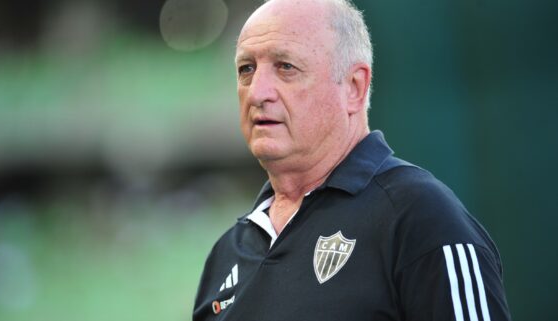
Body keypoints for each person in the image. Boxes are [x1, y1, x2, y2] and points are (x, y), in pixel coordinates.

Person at [193, 0, 512, 320]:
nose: (257, 92)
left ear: (354, 87)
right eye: (246, 68)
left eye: (286, 67)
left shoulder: (421, 217)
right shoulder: (227, 253)